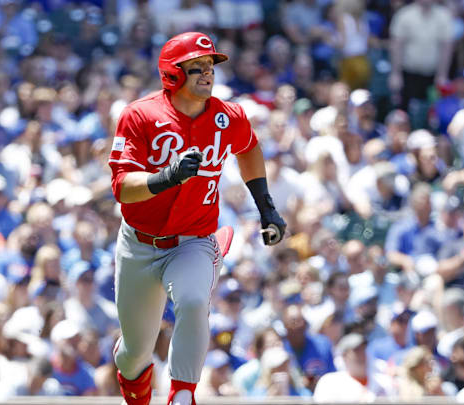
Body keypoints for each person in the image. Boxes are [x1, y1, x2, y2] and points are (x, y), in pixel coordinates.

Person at [107, 32, 286, 405]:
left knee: (191, 301)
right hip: (140, 243)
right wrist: (166, 177)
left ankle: (183, 394)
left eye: (210, 67)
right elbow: (122, 186)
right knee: (134, 356)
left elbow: (249, 148)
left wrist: (266, 207)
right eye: (196, 68)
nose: (207, 74)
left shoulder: (227, 115)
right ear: (172, 74)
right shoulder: (140, 114)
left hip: (194, 238)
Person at [313, 333, 394, 402]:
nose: (361, 355)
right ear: (344, 356)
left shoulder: (383, 382)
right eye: (356, 350)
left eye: (363, 349)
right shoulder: (330, 382)